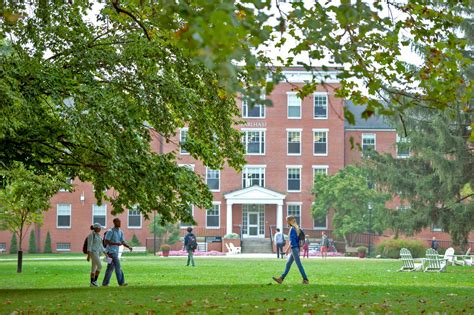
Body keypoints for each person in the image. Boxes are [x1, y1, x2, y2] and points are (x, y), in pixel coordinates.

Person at [272, 216, 309, 285]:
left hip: (294, 249)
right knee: (288, 264)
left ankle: (305, 279)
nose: (286, 222)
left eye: (287, 221)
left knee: (299, 264)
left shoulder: (292, 229)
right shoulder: (297, 228)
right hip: (296, 248)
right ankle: (281, 279)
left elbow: (292, 241)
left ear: (289, 221)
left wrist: (287, 249)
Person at [102, 218, 132, 287]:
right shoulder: (110, 231)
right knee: (118, 266)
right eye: (118, 222)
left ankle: (105, 283)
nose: (119, 223)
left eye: (120, 222)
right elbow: (106, 241)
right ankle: (121, 283)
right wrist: (115, 243)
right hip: (110, 252)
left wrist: (128, 246)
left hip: (116, 252)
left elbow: (122, 241)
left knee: (110, 268)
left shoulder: (120, 232)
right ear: (114, 222)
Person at [87, 223, 107, 287]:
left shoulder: (99, 236)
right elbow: (89, 246)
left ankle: (91, 283)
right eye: (99, 228)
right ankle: (95, 281)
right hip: (93, 252)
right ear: (96, 228)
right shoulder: (91, 235)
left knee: (93, 268)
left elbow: (101, 246)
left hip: (97, 253)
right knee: (100, 266)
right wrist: (88, 256)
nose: (100, 229)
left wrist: (106, 254)